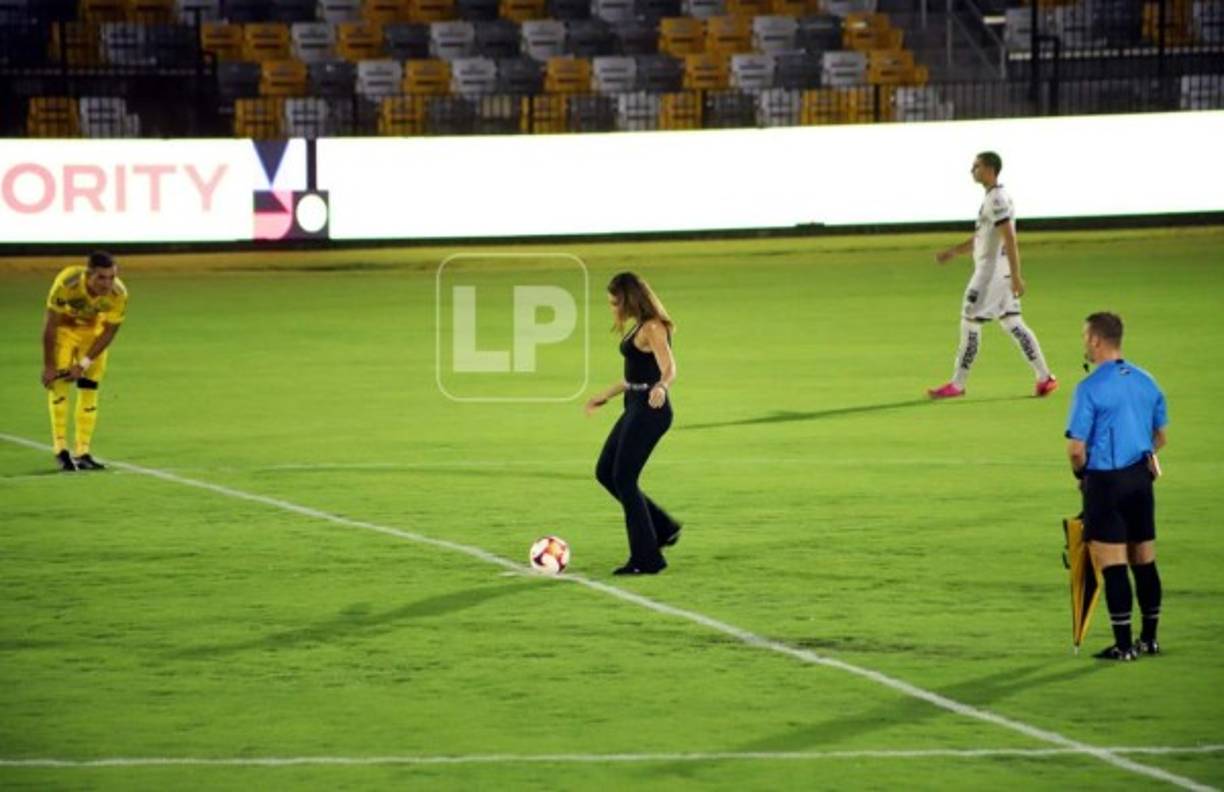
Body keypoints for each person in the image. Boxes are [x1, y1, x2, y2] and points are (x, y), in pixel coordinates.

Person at [1066, 312, 1167, 661]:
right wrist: (1142, 454)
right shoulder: (1146, 381)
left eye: (1085, 338)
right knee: (1145, 560)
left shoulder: (1090, 388)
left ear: (1096, 340)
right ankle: (1150, 639)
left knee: (1113, 565)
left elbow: (1076, 449)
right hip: (1141, 479)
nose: (1084, 344)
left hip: (1106, 483)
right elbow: (1161, 436)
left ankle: (1123, 646)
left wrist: (1083, 477)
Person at [928, 151, 1058, 400]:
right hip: (1001, 273)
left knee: (970, 320)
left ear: (989, 169)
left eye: (976, 166)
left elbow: (1010, 238)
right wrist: (953, 252)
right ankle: (1044, 378)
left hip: (991, 276)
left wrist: (1018, 275)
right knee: (1013, 322)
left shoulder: (996, 199)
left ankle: (958, 383)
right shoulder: (994, 198)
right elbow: (983, 237)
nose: (972, 170)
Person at [586, 272, 681, 575]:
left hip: (652, 410)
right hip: (635, 403)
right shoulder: (638, 327)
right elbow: (633, 377)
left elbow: (669, 366)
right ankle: (662, 527)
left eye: (615, 302)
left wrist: (661, 387)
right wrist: (605, 395)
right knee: (605, 472)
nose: (613, 307)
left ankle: (647, 558)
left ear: (629, 299)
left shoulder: (653, 327)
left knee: (624, 479)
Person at [41, 251, 128, 472]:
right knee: (59, 386)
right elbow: (50, 324)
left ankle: (83, 452)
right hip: (65, 333)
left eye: (111, 277)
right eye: (101, 277)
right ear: (88, 275)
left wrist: (84, 364)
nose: (107, 283)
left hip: (93, 337)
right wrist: (49, 365)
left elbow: (109, 332)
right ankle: (61, 450)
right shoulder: (67, 282)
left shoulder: (119, 293)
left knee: (89, 388)